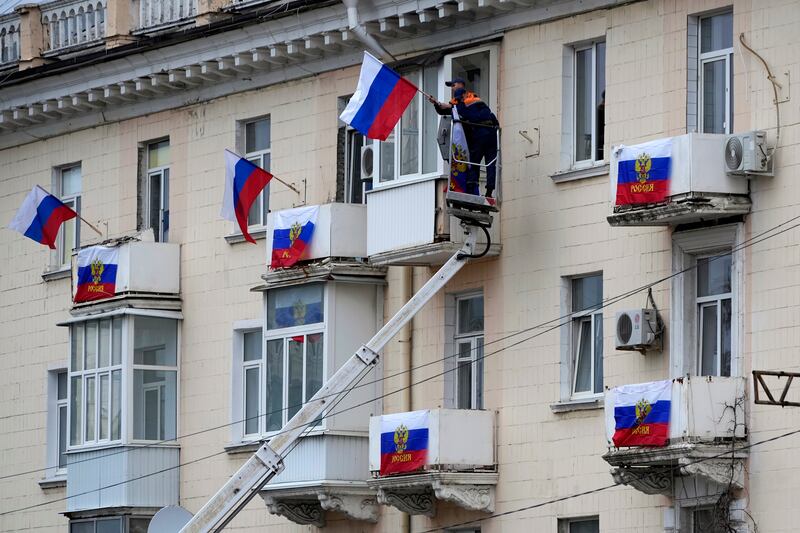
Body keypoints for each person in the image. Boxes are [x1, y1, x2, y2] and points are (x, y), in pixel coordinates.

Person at [428, 78, 499, 197]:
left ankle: (471, 189)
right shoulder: (475, 98)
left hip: (480, 133)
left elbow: (453, 110)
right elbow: (490, 114)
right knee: (491, 163)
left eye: (453, 85)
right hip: (491, 133)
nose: (452, 88)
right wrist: (437, 103)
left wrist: (438, 104)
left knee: (473, 162)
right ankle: (489, 191)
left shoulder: (461, 99)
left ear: (461, 85)